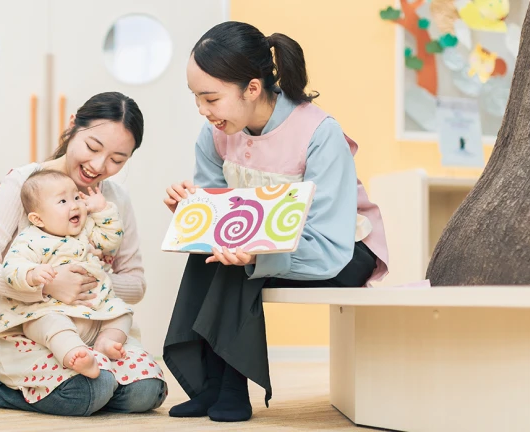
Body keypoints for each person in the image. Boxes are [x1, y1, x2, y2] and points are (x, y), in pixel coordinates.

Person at [163, 21, 389, 423]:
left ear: (252, 88)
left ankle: (230, 389)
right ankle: (209, 386)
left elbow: (330, 243)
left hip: (341, 251)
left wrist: (256, 255)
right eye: (196, 98)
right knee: (213, 256)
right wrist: (193, 211)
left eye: (210, 98)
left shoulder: (319, 133)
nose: (202, 110)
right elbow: (221, 218)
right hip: (267, 246)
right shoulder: (214, 134)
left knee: (236, 265)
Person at [0, 92, 167, 416]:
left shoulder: (114, 201)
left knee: (147, 393)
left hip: (97, 325)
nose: (98, 166)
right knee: (90, 390)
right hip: (33, 326)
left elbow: (136, 284)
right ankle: (5, 391)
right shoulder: (24, 184)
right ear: (72, 126)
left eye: (117, 159)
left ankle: (85, 388)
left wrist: (88, 280)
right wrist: (47, 285)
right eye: (93, 147)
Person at [0, 169, 133, 379]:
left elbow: (111, 240)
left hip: (95, 311)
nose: (75, 205)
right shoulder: (30, 240)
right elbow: (11, 267)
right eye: (62, 201)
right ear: (38, 219)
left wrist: (103, 211)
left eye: (77, 197)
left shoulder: (86, 229)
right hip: (48, 311)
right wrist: (32, 273)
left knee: (122, 312)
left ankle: (106, 341)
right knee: (52, 325)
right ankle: (75, 354)